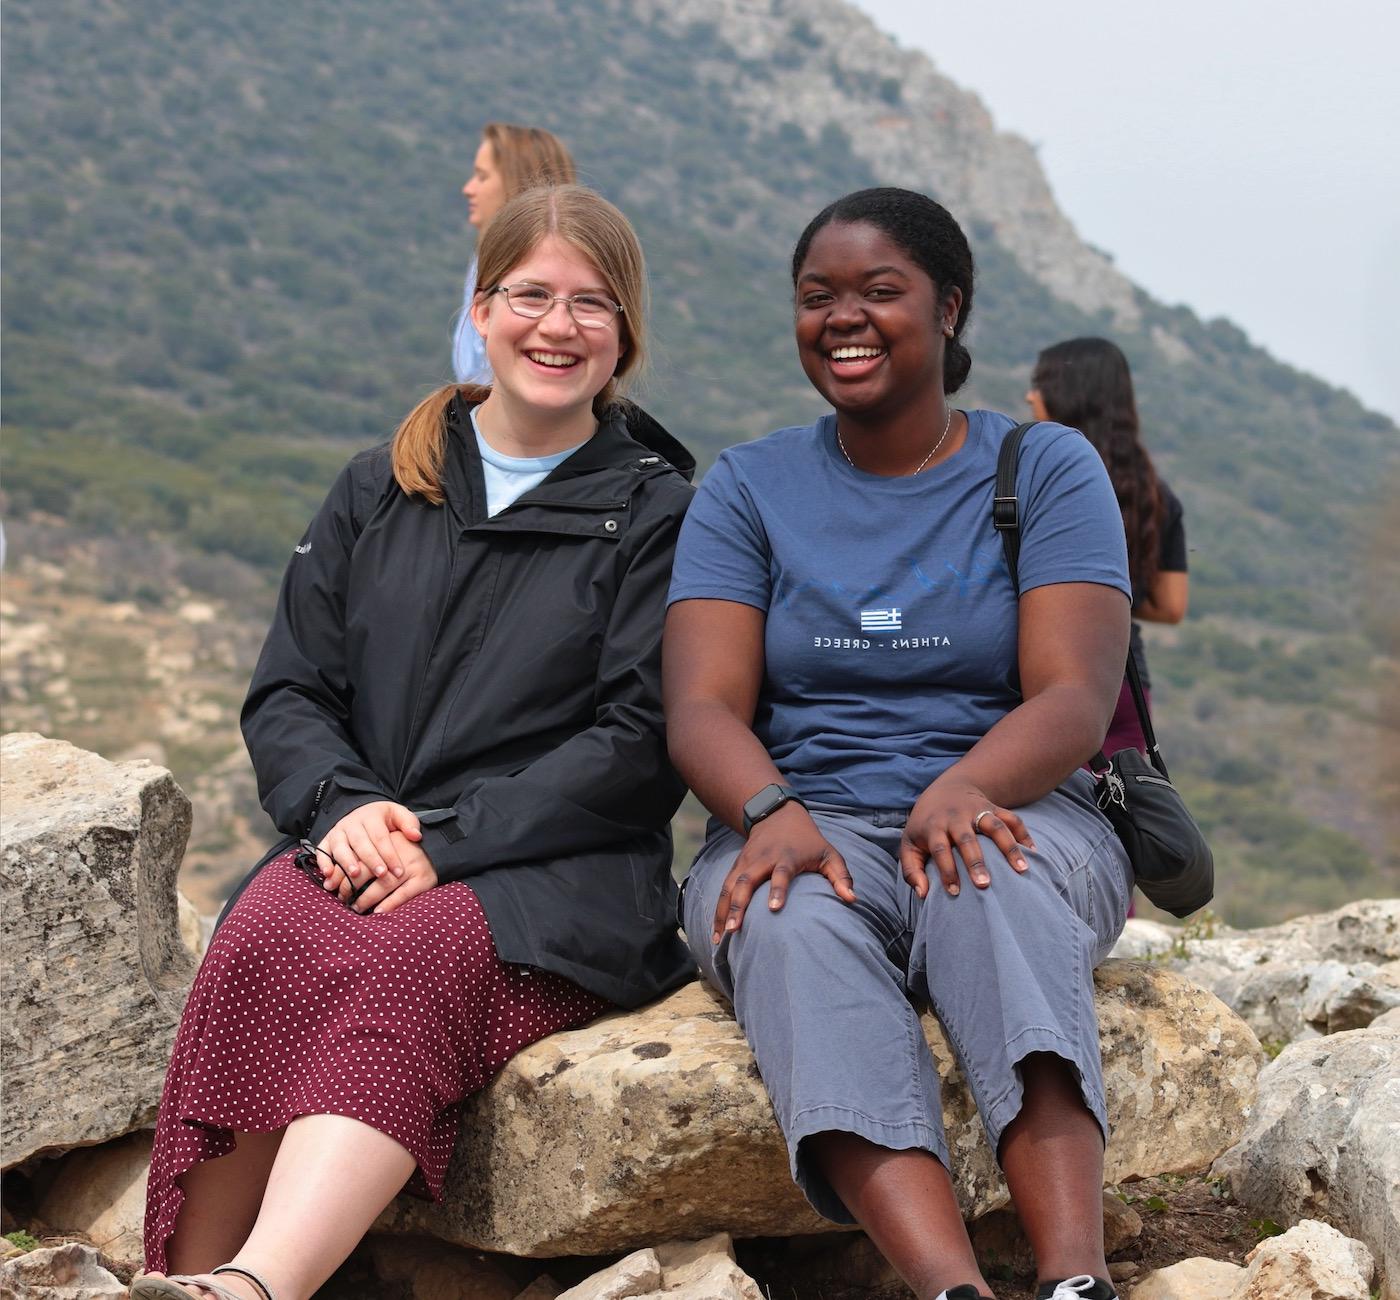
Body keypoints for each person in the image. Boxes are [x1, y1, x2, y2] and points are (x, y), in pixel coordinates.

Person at [133, 184, 696, 1300]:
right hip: (368, 836)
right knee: (262, 930)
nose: (558, 325)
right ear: (481, 308)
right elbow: (290, 691)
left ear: (623, 336)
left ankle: (259, 1285)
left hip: (558, 879)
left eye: (592, 304)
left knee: (414, 952)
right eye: (530, 294)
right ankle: (187, 1279)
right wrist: (343, 805)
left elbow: (639, 742)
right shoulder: (383, 485)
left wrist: (447, 840)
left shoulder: (655, 510)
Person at [664, 187, 1135, 1300]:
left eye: (880, 291)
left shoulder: (1045, 468)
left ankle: (1074, 1280)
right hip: (801, 817)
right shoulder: (749, 485)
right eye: (816, 296)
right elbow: (700, 707)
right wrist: (768, 813)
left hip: (1019, 801)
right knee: (784, 921)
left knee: (988, 879)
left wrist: (966, 783)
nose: (844, 318)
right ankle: (949, 1288)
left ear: (948, 307)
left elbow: (1073, 696)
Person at [1027, 337, 1189, 756]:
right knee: (1127, 810)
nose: (1030, 395)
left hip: (1042, 679)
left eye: (1039, 383)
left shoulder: (1031, 484)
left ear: (1066, 395)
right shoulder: (1154, 494)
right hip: (1124, 680)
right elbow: (1171, 606)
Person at [453, 122, 576, 384]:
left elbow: (481, 375)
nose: (469, 188)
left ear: (514, 181)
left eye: (482, 176)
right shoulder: (486, 258)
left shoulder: (513, 267)